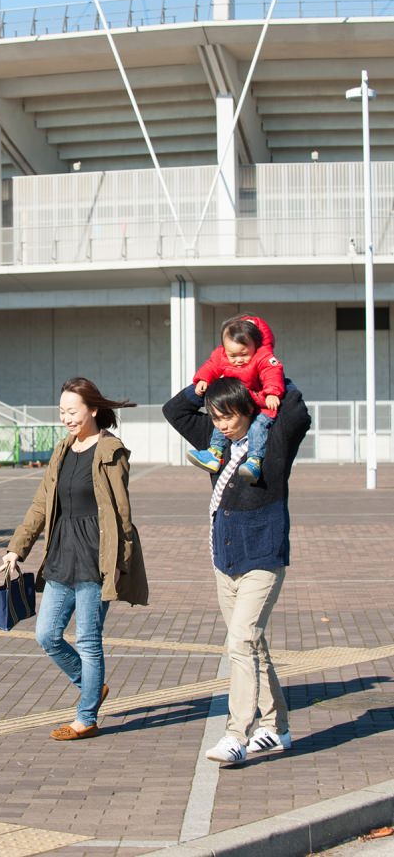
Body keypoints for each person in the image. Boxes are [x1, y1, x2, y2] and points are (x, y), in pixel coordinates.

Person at [163, 376, 310, 763]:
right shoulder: (216, 443)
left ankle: (236, 733)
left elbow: (296, 411)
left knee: (241, 642)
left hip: (263, 556)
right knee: (252, 644)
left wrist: (265, 374)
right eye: (216, 417)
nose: (223, 424)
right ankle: (277, 729)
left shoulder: (272, 442)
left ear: (247, 408)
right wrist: (206, 379)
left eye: (229, 415)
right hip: (224, 559)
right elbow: (174, 411)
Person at [3, 376, 148, 741]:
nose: (66, 418)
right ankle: (90, 687)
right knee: (46, 634)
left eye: (72, 411)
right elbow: (42, 503)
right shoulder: (62, 449)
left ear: (93, 410)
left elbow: (121, 512)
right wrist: (16, 547)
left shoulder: (110, 450)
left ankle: (86, 718)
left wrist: (122, 560)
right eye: (62, 411)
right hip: (61, 553)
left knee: (87, 640)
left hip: (95, 556)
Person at [187, 314, 285, 484]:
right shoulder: (222, 356)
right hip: (238, 403)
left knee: (258, 427)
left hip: (260, 404)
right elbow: (211, 366)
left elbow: (272, 373)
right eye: (233, 355)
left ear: (256, 345)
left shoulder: (263, 357)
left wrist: (272, 393)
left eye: (244, 354)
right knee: (222, 422)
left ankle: (254, 461)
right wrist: (203, 379)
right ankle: (214, 454)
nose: (238, 360)